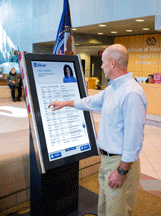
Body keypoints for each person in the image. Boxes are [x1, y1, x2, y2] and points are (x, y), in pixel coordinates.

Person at [48, 44, 147, 216]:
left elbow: (134, 139)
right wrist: (65, 103)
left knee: (117, 211)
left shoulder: (131, 93)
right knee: (104, 207)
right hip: (108, 161)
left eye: (103, 62)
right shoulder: (113, 88)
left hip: (120, 164)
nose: (101, 66)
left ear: (113, 63)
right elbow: (91, 102)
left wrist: (121, 171)